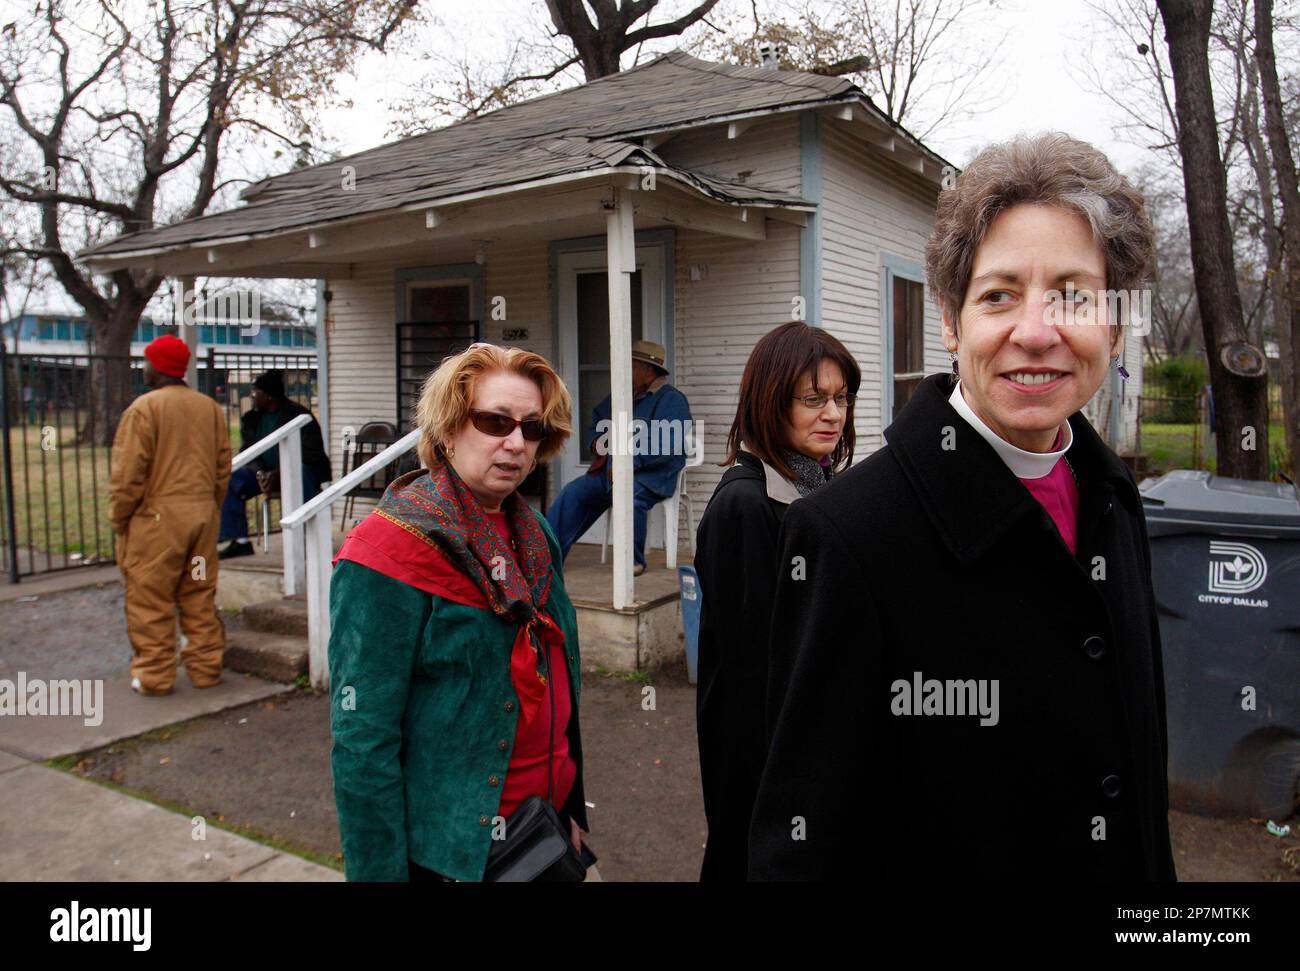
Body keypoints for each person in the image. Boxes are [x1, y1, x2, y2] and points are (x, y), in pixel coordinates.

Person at [748, 133, 1177, 881]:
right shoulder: (846, 536)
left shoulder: (1115, 500)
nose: (1035, 332)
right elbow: (801, 850)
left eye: (1072, 295)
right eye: (999, 294)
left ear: (1113, 324)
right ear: (950, 321)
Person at [329, 343, 593, 881]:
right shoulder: (386, 551)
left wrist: (569, 806)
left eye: (533, 428)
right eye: (495, 421)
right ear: (448, 430)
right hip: (455, 856)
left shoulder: (534, 532)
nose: (516, 442)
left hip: (544, 830)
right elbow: (363, 741)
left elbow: (559, 673)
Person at [694, 320, 859, 882]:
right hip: (762, 759)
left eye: (840, 398)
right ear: (770, 402)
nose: (833, 414)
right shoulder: (746, 504)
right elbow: (756, 669)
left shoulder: (816, 486)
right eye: (813, 399)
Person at [109, 334, 231, 695]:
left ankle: (154, 676)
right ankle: (207, 668)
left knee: (151, 597)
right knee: (198, 592)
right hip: (202, 518)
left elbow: (128, 475)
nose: (143, 368)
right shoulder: (208, 407)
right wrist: (209, 507)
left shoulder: (143, 409)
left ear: (157, 367)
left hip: (157, 523)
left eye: (146, 361)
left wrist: (120, 519)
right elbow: (223, 466)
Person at [545, 340, 693, 575]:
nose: (625, 372)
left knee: (630, 498)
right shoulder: (622, 396)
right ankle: (546, 558)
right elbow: (597, 424)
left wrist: (626, 463)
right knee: (572, 494)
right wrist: (598, 443)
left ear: (648, 370)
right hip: (612, 473)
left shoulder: (672, 400)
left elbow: (665, 445)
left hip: (652, 477)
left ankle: (632, 562)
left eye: (632, 366)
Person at [219, 369, 331, 558]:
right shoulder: (252, 419)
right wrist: (260, 474)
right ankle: (240, 541)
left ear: (269, 396)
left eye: (255, 392)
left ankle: (306, 538)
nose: (251, 396)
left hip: (296, 473)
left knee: (302, 472)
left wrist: (278, 473)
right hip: (263, 475)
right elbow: (248, 452)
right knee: (230, 477)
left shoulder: (298, 415)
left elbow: (312, 454)